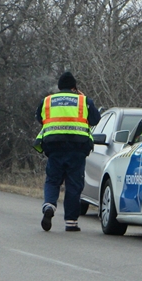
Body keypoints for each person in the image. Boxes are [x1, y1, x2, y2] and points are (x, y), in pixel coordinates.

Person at [36, 71, 101, 232]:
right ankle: (71, 221)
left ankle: (49, 205)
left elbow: (40, 118)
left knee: (53, 180)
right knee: (74, 184)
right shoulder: (83, 100)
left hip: (54, 147)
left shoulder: (48, 101)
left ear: (59, 87)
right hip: (77, 148)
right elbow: (95, 119)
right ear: (74, 87)